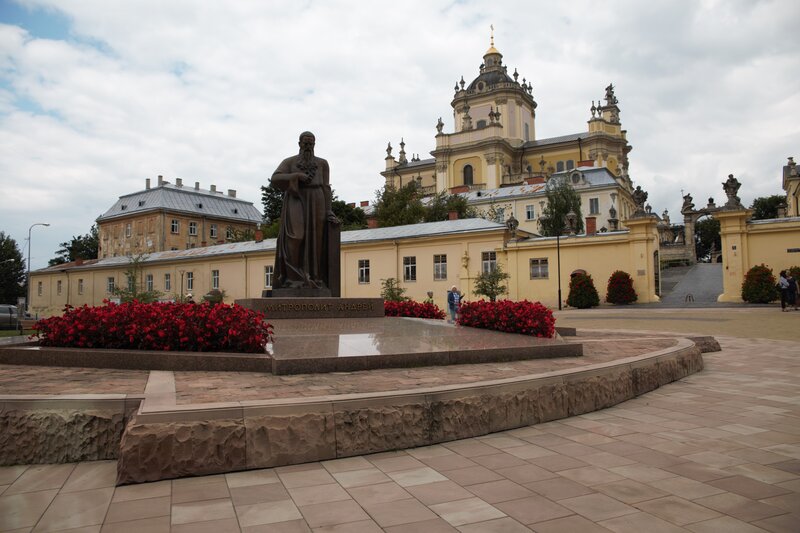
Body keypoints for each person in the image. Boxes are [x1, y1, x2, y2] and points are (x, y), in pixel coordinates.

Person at [270, 131, 339, 291]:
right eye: (305, 143)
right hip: (296, 198)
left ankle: (314, 277)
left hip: (317, 200)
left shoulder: (322, 163)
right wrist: (296, 176)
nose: (308, 146)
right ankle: (292, 278)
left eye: (311, 143)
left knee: (316, 241)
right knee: (295, 237)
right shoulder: (289, 162)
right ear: (299, 144)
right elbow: (275, 178)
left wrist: (329, 210)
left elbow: (326, 187)